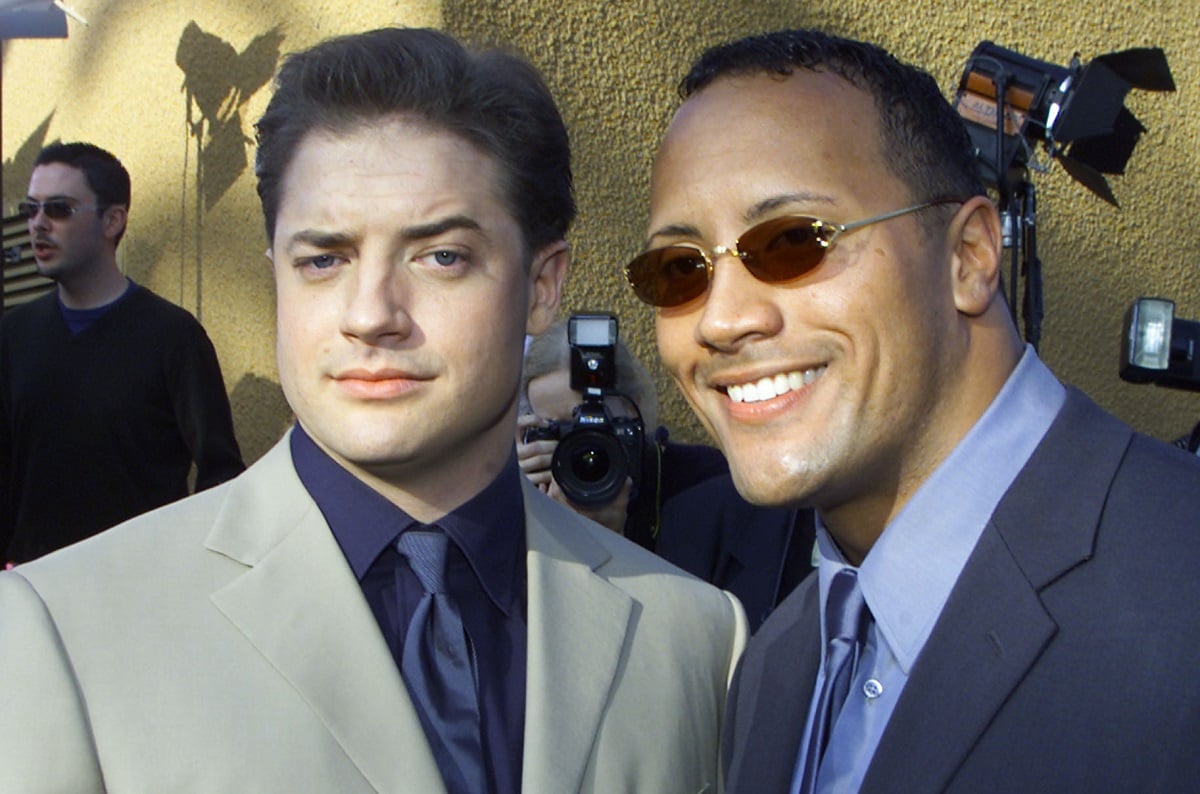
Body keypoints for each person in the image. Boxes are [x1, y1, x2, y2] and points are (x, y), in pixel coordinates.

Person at [0, 27, 747, 793]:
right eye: (324, 259)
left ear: (542, 285)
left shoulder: (694, 635)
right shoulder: (62, 629)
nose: (371, 315)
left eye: (441, 256)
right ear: (278, 275)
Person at [626, 28, 1200, 794]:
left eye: (794, 240)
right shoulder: (774, 664)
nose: (722, 319)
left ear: (969, 257)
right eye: (678, 269)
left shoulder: (1180, 590)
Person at [0, 142, 244, 564]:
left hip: (141, 580)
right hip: (32, 583)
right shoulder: (13, 335)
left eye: (58, 209)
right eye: (30, 209)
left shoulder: (172, 336)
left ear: (113, 219)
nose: (38, 224)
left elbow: (220, 475)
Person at [519, 317, 815, 629]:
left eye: (599, 419)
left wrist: (611, 543)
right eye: (561, 428)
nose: (586, 445)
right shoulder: (531, 495)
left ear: (634, 408)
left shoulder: (708, 489)